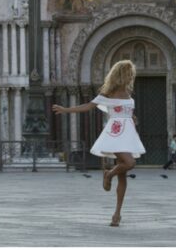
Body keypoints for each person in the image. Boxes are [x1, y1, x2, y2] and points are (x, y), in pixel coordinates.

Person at [52, 59, 145, 228]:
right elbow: (88, 106)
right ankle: (109, 174)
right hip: (115, 133)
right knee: (130, 163)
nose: (132, 76)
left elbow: (126, 112)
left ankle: (117, 214)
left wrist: (132, 118)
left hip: (129, 133)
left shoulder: (128, 94)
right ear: (122, 74)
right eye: (129, 73)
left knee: (123, 175)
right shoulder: (107, 94)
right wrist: (65, 110)